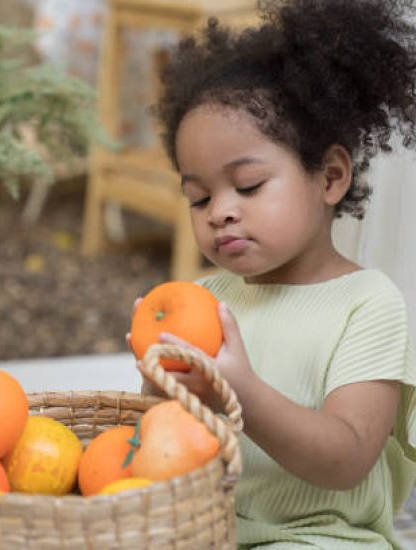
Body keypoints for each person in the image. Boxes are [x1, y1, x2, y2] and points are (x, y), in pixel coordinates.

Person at [128, 1, 416, 547]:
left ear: (329, 177)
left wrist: (243, 393)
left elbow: (347, 459)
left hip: (322, 536)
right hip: (211, 528)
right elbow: (172, 445)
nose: (220, 212)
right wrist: (160, 388)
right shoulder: (205, 297)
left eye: (249, 186)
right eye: (199, 196)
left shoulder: (366, 303)